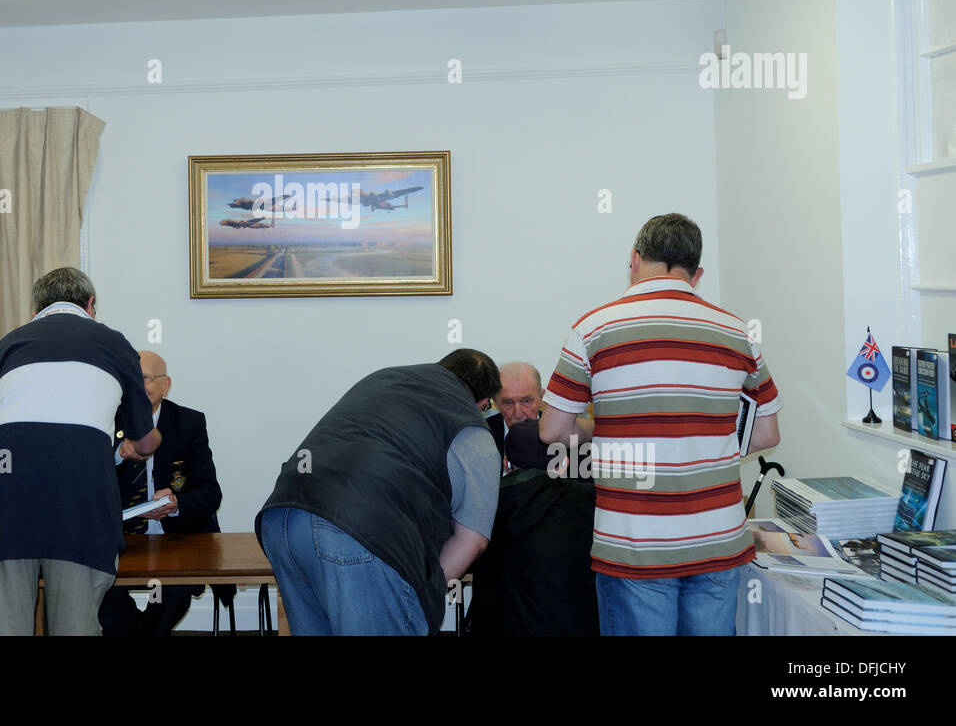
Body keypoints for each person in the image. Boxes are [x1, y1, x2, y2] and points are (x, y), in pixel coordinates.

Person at [538, 213, 782, 636]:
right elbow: (766, 434)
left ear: (634, 259)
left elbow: (552, 432)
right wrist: (701, 447)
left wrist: (611, 435)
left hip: (635, 545)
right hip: (718, 540)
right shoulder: (738, 333)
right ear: (697, 273)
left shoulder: (593, 329)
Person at [0, 268, 160, 636]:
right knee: (75, 625)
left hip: (2, 500)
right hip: (79, 498)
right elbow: (145, 442)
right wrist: (140, 445)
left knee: (0, 628)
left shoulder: (8, 343)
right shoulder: (114, 343)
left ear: (37, 309)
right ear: (90, 305)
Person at [257, 349, 501, 636]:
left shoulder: (384, 379)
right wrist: (423, 590)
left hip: (282, 517)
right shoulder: (471, 427)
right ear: (483, 403)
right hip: (356, 532)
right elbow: (472, 541)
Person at [99, 350, 227, 636]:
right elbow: (84, 483)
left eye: (145, 378)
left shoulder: (189, 423)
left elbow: (210, 493)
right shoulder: (106, 421)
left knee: (176, 587)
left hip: (173, 541)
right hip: (119, 541)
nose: (137, 386)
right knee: (99, 588)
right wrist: (118, 454)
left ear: (165, 384)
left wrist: (177, 503)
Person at [486, 361, 545, 474]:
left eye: (526, 401)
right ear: (496, 402)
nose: (518, 414)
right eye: (508, 403)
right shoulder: (481, 436)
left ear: (541, 397)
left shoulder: (563, 436)